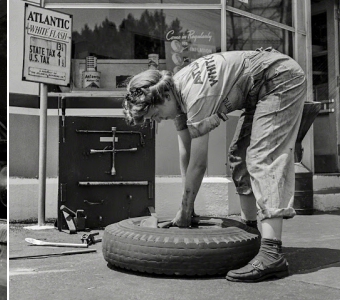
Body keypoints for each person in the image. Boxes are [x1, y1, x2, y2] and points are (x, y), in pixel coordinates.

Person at [121, 48, 306, 282]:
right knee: (239, 156)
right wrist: (186, 208)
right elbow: (186, 153)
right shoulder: (174, 90)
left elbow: (199, 163)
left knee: (262, 156)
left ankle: (272, 253)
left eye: (155, 114)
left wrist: (186, 210)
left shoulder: (195, 97)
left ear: (164, 97)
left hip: (281, 78)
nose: (157, 121)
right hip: (258, 86)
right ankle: (252, 233)